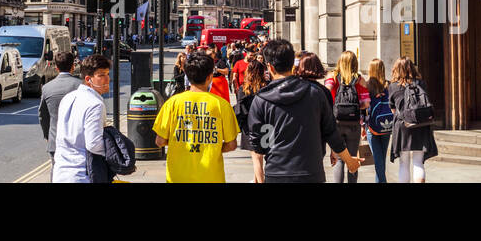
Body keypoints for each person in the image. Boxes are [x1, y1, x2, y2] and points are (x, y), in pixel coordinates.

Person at [247, 38, 360, 183]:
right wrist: (349, 161)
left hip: (276, 174)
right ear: (292, 64)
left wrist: (260, 178)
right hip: (311, 172)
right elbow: (332, 133)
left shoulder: (261, 100)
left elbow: (258, 146)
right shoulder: (315, 93)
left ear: (270, 67)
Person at [153, 51, 239, 182]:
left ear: (187, 75)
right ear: (210, 77)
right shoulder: (221, 105)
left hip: (178, 176)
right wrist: (212, 147)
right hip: (211, 176)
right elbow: (231, 145)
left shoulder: (172, 103)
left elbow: (160, 141)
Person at [52, 54, 112, 183]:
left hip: (60, 174)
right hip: (82, 175)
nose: (107, 79)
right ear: (88, 79)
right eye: (101, 75)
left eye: (107, 74)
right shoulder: (95, 104)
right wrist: (115, 150)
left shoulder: (68, 98)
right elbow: (94, 144)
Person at [388, 57, 437, 183]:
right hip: (421, 124)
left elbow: (393, 109)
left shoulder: (393, 86)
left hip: (403, 126)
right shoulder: (421, 83)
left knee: (403, 163)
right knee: (418, 162)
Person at [324, 51, 369, 183]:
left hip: (336, 123)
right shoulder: (360, 80)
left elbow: (326, 92)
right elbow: (366, 104)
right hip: (354, 124)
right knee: (353, 159)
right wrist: (354, 108)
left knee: (338, 160)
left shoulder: (332, 77)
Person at [38, 50, 82, 159]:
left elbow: (43, 115)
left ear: (57, 68)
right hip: (78, 143)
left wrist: (47, 136)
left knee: (57, 173)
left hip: (55, 142)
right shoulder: (81, 86)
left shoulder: (47, 88)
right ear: (73, 66)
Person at [363, 58, 393, 183]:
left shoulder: (367, 85)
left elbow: (363, 107)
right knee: (381, 160)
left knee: (378, 160)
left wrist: (362, 126)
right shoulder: (389, 85)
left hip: (372, 127)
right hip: (386, 127)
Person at [234, 58, 268, 150]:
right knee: (268, 153)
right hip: (266, 124)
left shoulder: (244, 89)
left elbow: (241, 109)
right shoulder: (268, 87)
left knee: (256, 157)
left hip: (249, 125)